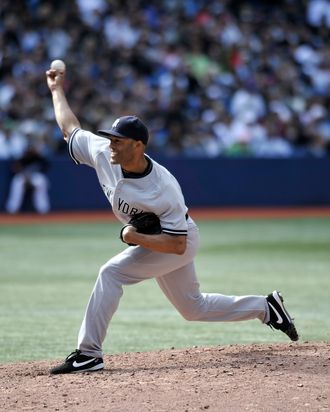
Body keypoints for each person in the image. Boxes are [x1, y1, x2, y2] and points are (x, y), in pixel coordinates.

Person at [46, 67, 298, 375]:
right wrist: (57, 90)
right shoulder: (103, 153)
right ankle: (266, 307)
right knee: (193, 308)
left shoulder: (163, 187)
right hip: (161, 239)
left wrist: (135, 237)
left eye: (119, 140)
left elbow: (177, 245)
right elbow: (69, 129)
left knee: (111, 273)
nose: (111, 144)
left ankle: (89, 354)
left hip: (178, 240)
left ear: (138, 146)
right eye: (110, 138)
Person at [5, 144, 50, 214]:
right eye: (29, 149)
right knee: (17, 181)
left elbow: (46, 166)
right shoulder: (22, 157)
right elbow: (13, 169)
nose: (30, 150)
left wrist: (38, 154)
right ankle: (12, 209)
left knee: (41, 181)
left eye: (32, 148)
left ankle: (43, 209)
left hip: (34, 176)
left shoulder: (38, 158)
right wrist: (24, 175)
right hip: (23, 176)